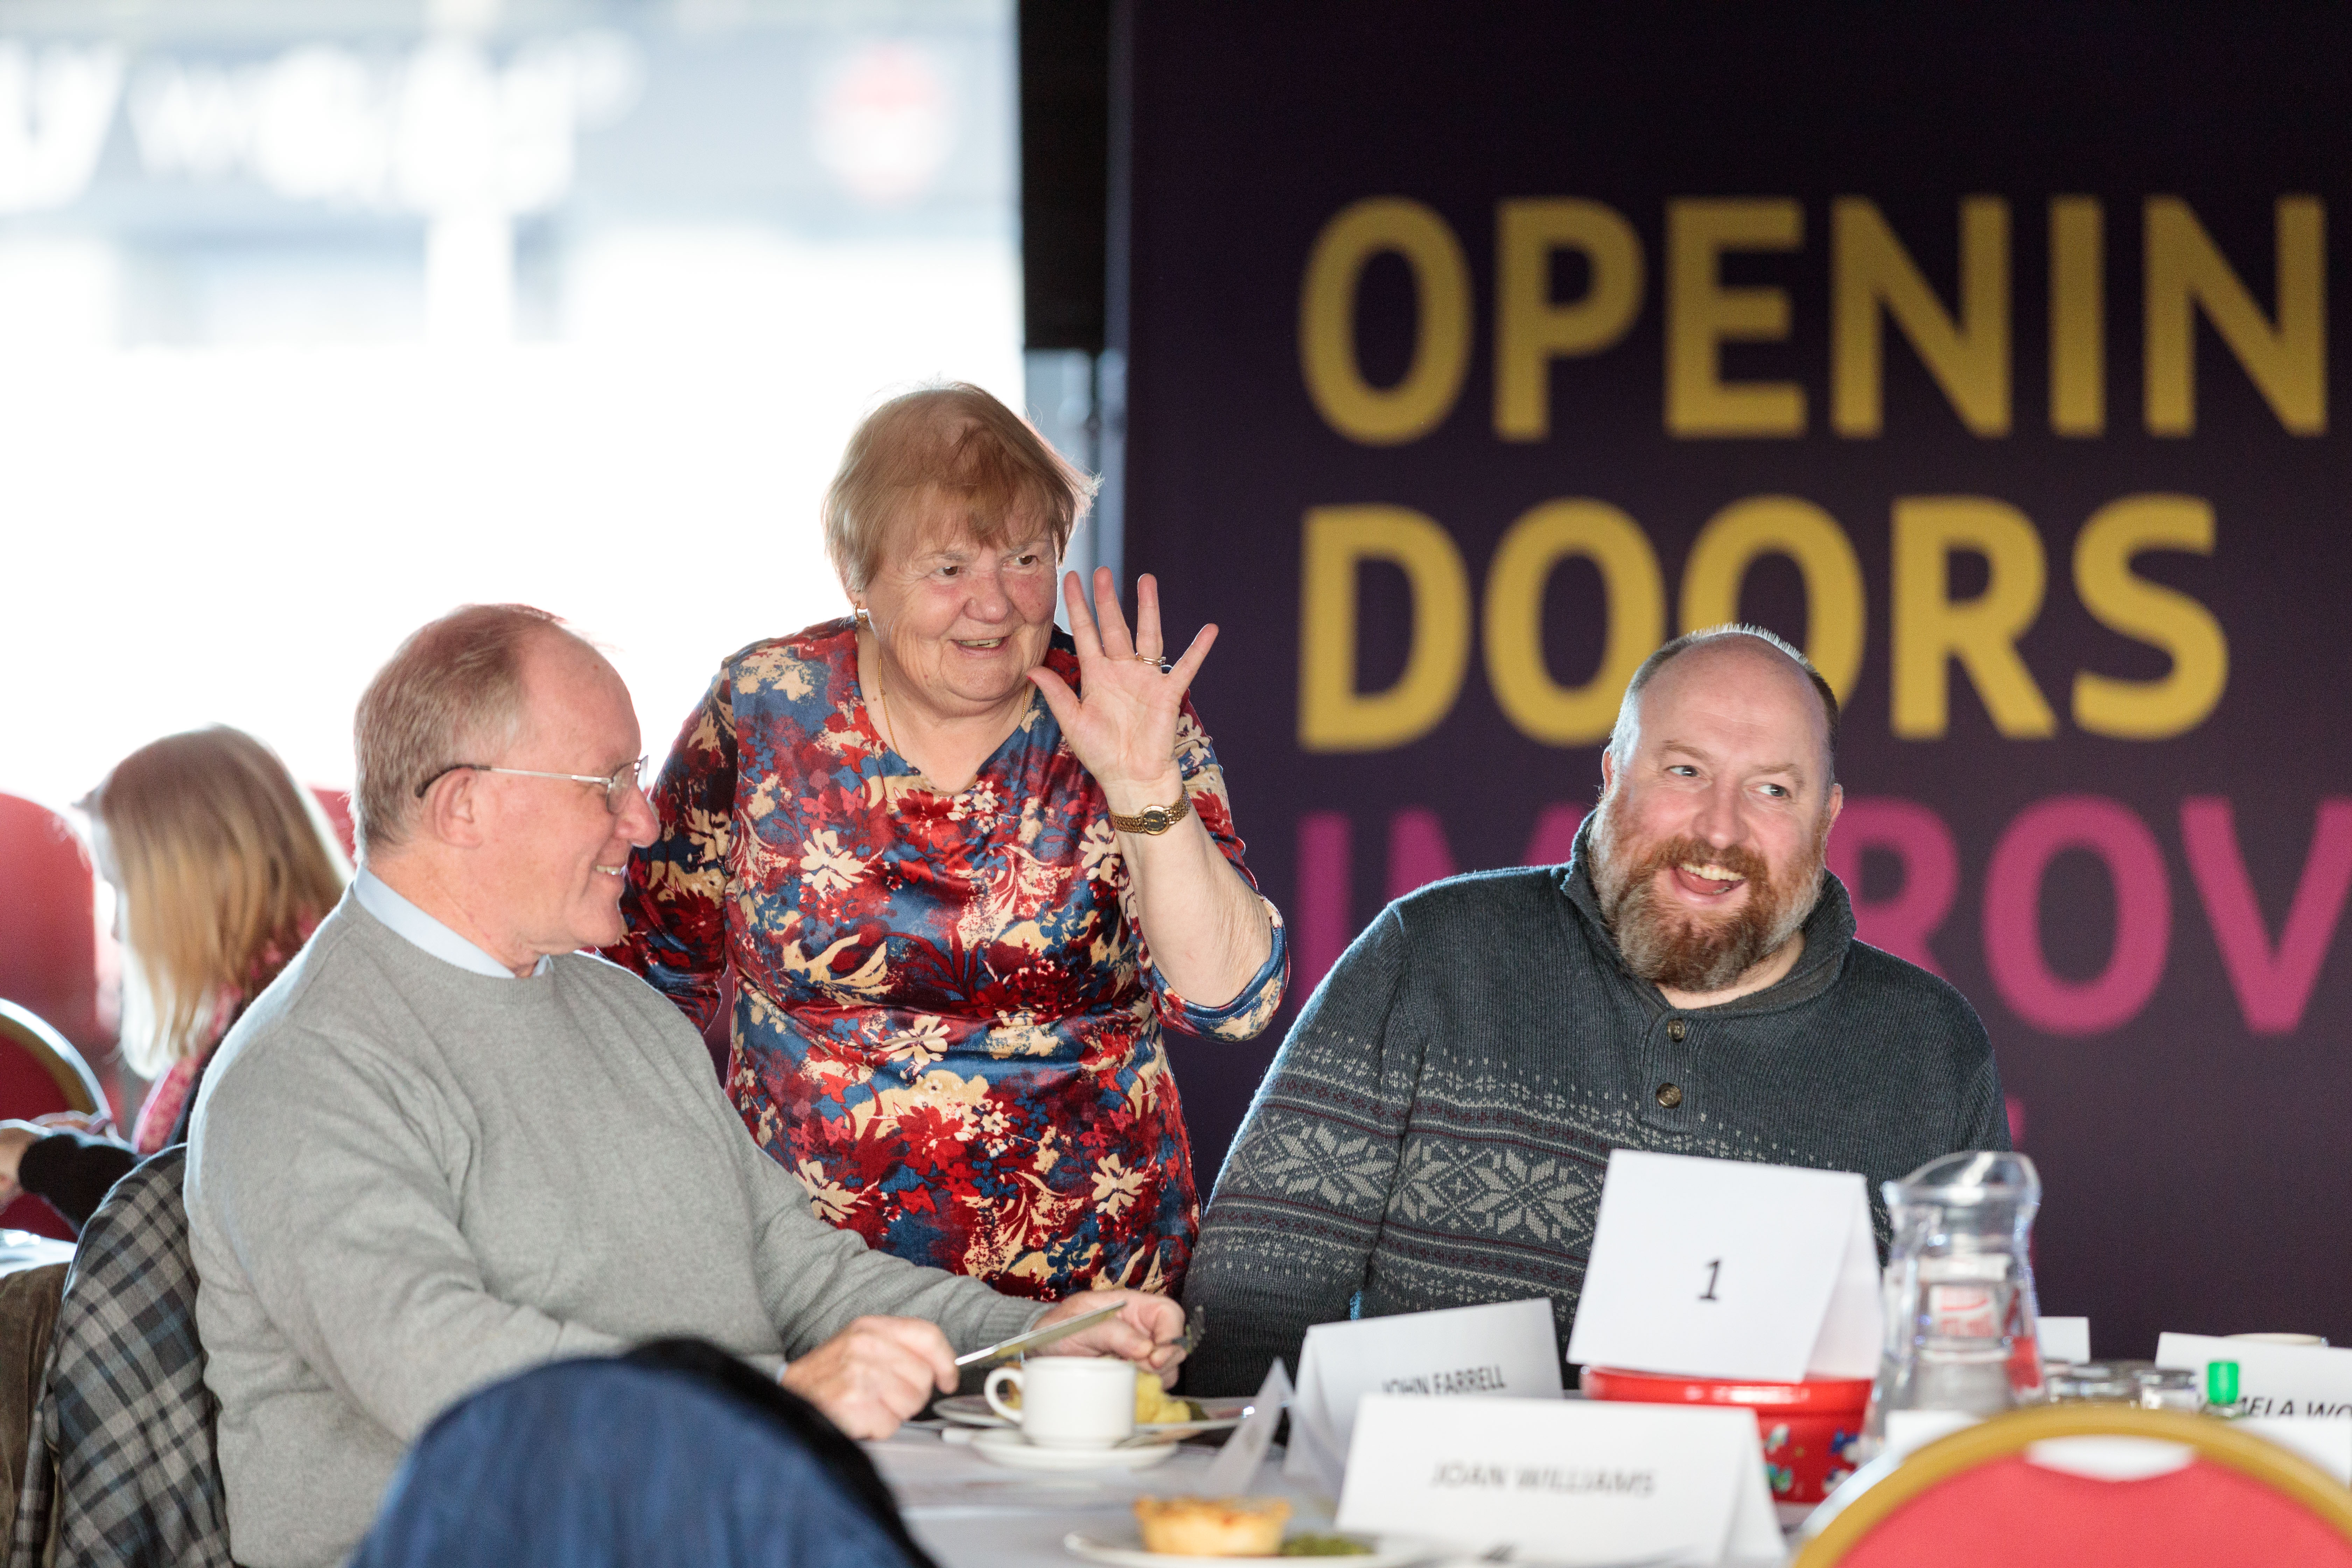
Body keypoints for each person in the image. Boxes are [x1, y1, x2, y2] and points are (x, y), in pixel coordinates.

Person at [186, 604, 1183, 1568]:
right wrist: (780, 1401)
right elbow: (441, 1372)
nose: (646, 816)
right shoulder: (307, 1064)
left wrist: (1035, 1336)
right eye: (606, 781)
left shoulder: (625, 1015)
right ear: (465, 805)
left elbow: (802, 1273)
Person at [1183, 625, 2009, 1394]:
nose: (1720, 830)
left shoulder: (1930, 1049)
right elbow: (1250, 1314)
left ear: (1825, 819)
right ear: (1613, 776)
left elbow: (1965, 1381)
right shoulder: (1432, 954)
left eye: (1772, 789)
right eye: (1684, 771)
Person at [609, 384, 1287, 1302]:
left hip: (1084, 1306)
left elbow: (1233, 1005)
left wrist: (1145, 790)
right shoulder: (767, 706)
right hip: (809, 1292)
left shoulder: (1121, 704)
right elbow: (648, 984)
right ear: (859, 576)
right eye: (949, 568)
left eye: (1025, 558)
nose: (997, 605)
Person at [0, 727, 348, 1233]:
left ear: (199, 883)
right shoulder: (283, 993)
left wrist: (42, 1158)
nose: (118, 928)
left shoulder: (276, 1031)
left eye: (125, 889)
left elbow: (182, 1229)